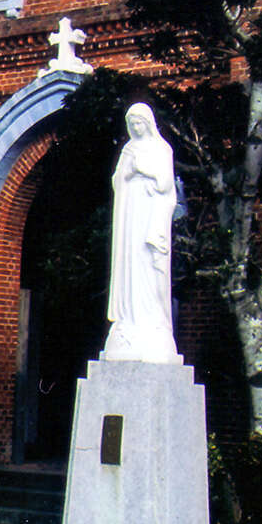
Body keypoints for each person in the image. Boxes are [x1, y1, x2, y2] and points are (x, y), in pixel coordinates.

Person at [102, 103, 181, 363]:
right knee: (131, 264)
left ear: (148, 123)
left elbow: (166, 184)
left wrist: (142, 169)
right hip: (130, 217)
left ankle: (152, 322)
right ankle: (128, 322)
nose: (135, 128)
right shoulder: (128, 149)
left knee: (150, 265)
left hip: (150, 214)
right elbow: (117, 180)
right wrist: (128, 172)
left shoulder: (162, 149)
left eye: (139, 123)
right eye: (131, 124)